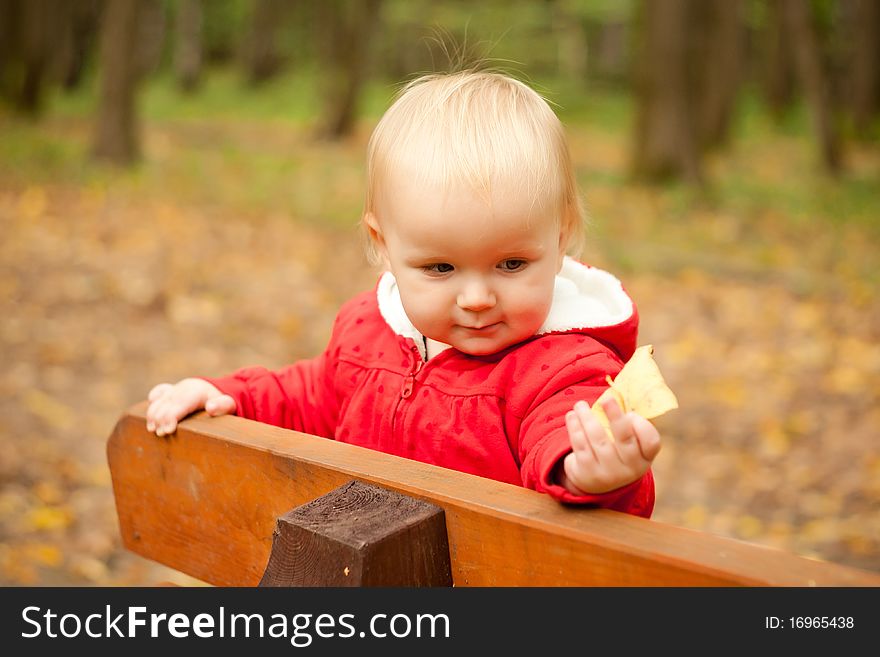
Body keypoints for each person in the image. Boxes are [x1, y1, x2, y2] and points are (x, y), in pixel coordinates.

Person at [145, 69, 662, 517]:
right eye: (441, 267)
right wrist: (229, 394)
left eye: (511, 264)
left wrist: (588, 471)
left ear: (562, 235)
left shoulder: (564, 369)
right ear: (384, 246)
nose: (478, 297)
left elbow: (562, 433)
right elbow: (315, 396)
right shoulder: (370, 330)